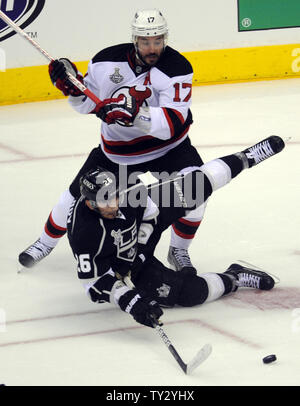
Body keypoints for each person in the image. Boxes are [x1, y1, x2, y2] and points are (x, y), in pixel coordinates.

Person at [18, 9, 208, 273]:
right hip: (118, 154)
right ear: (135, 39)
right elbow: (87, 103)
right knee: (72, 199)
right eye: (145, 41)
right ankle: (44, 243)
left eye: (157, 41)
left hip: (170, 149)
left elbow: (173, 123)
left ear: (165, 38)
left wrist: (134, 115)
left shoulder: (177, 67)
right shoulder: (105, 61)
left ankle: (179, 251)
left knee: (198, 188)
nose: (152, 48)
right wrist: (72, 88)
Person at [64, 135, 284, 328]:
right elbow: (94, 283)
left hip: (141, 232)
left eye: (115, 197)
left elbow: (149, 210)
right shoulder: (85, 233)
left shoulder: (126, 189)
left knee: (194, 186)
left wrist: (142, 245)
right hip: (125, 267)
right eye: (105, 202)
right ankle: (234, 277)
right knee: (191, 294)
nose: (114, 204)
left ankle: (246, 157)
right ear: (90, 204)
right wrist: (131, 302)